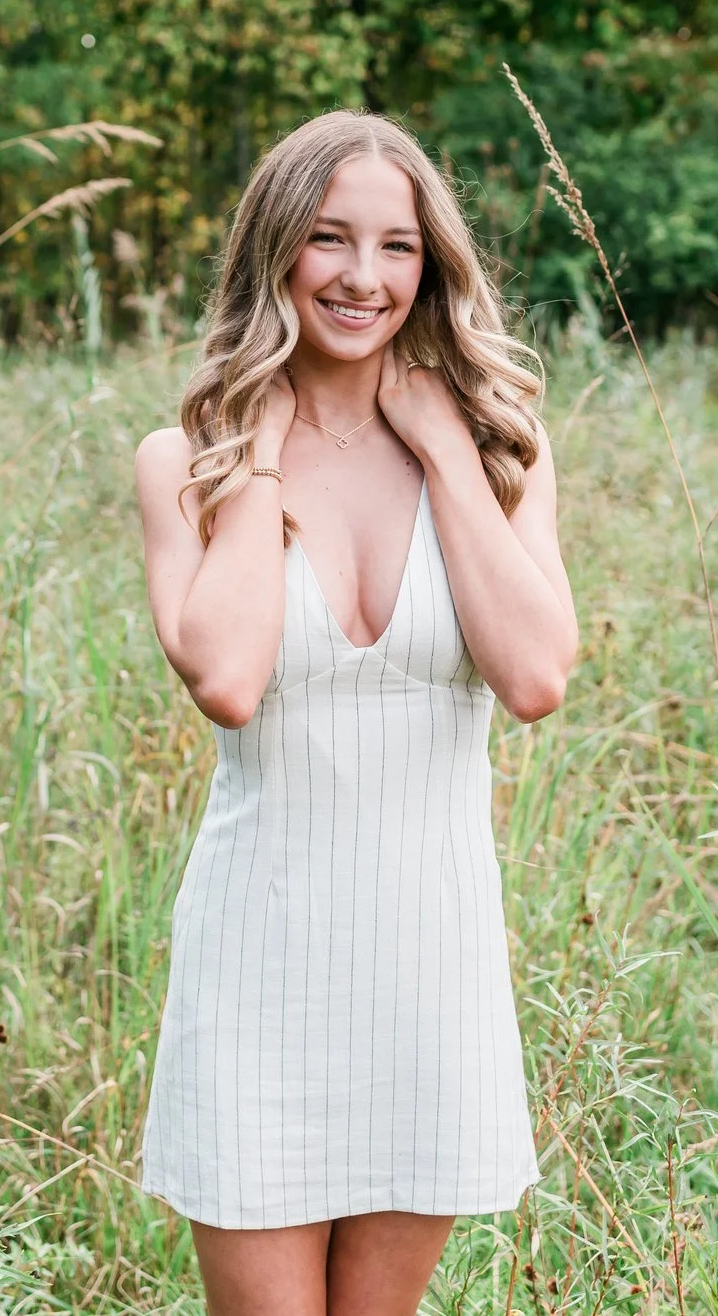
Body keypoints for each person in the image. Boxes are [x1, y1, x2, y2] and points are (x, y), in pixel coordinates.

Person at [133, 110, 579, 1315]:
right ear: (276, 251)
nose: (363, 277)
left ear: (430, 263)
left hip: (428, 973)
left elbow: (536, 677)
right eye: (330, 239)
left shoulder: (500, 450)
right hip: (259, 970)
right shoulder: (190, 456)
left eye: (397, 245)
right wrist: (264, 446)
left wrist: (441, 447)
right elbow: (225, 676)